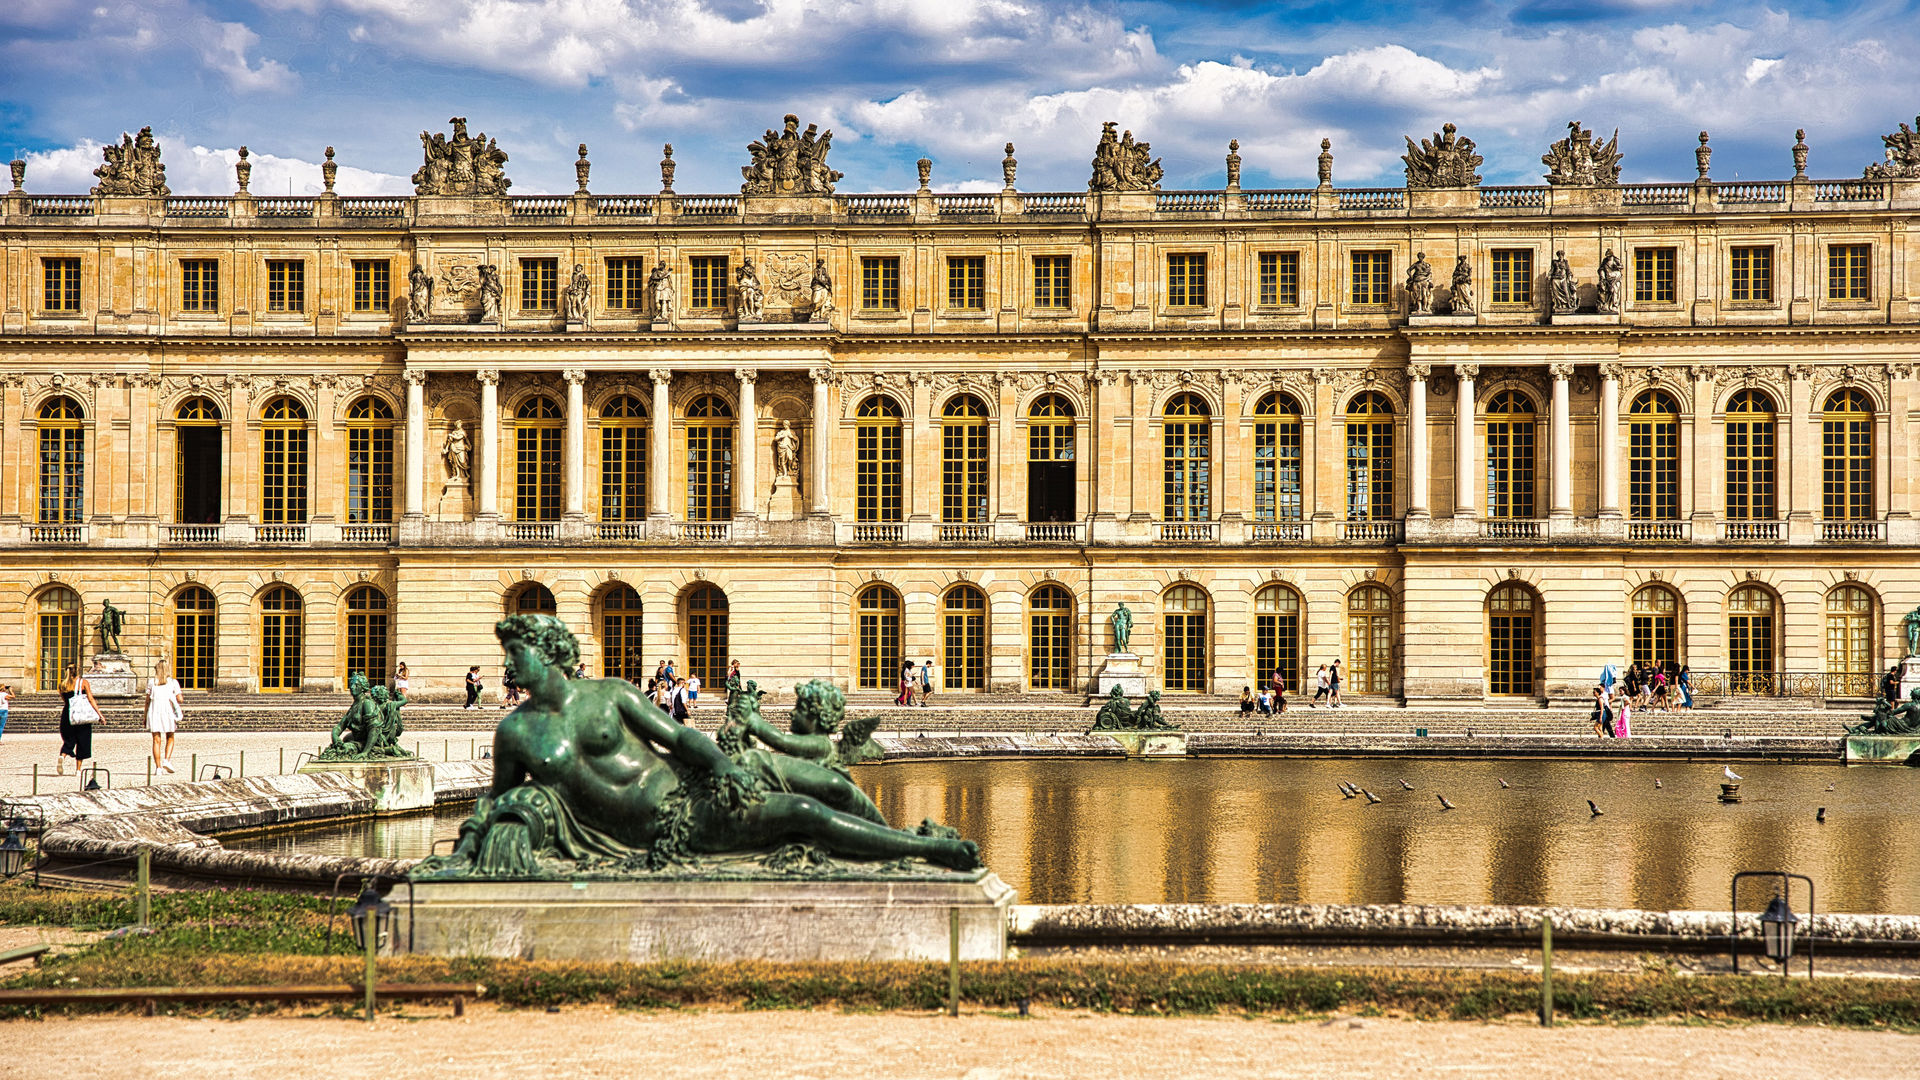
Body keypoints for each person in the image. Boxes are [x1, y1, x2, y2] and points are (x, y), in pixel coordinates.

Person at [424, 614, 978, 876]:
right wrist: (479, 834)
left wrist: (723, 765)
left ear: (545, 654)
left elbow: (680, 735)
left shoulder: (611, 694)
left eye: (515, 654)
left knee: (828, 784)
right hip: (657, 827)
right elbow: (497, 797)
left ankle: (892, 837)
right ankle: (922, 852)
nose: (506, 665)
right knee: (805, 812)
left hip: (690, 785)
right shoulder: (514, 731)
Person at [60, 663, 101, 776]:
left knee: (69, 740)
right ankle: (78, 770)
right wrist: (99, 715)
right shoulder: (83, 683)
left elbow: (65, 701)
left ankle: (62, 756)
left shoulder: (62, 685)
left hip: (68, 714)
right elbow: (91, 699)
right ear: (77, 671)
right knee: (82, 741)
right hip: (81, 716)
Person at [146, 660, 183, 773]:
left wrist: (144, 716)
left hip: (154, 711)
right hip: (167, 711)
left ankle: (158, 768)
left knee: (156, 740)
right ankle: (166, 760)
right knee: (170, 736)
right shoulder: (173, 682)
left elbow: (147, 701)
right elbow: (180, 699)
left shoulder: (152, 682)